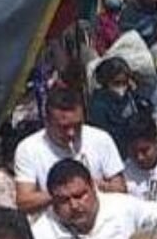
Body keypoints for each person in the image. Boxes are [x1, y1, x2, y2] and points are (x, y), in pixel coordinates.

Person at [14, 86, 127, 215]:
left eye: (77, 125)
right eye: (64, 127)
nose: (72, 133)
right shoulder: (28, 149)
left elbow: (120, 189)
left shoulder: (101, 139)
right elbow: (24, 202)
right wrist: (62, 193)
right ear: (47, 122)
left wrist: (93, 187)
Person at [88, 56, 146, 156]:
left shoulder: (131, 97)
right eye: (117, 83)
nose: (122, 87)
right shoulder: (98, 106)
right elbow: (104, 135)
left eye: (125, 82)